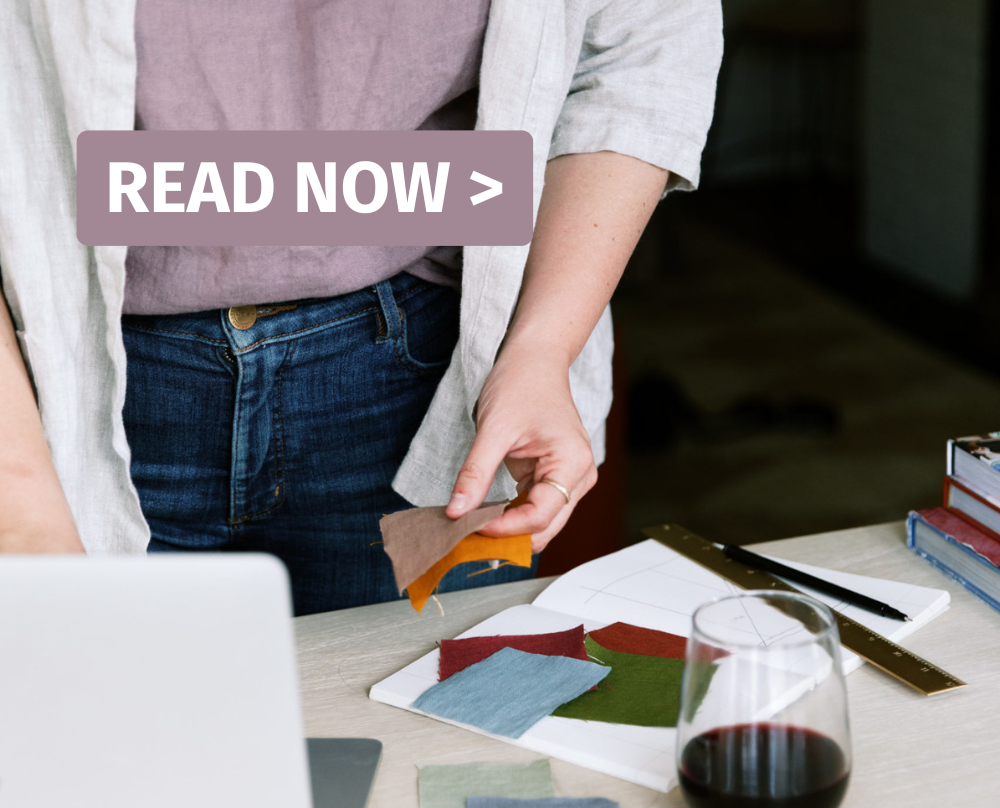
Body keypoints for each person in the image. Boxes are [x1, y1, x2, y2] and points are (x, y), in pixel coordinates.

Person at [0, 1, 723, 613]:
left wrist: (542, 348)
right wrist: (20, 497)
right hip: (60, 394)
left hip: (428, 382)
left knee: (433, 759)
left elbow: (639, 48)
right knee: (103, 761)